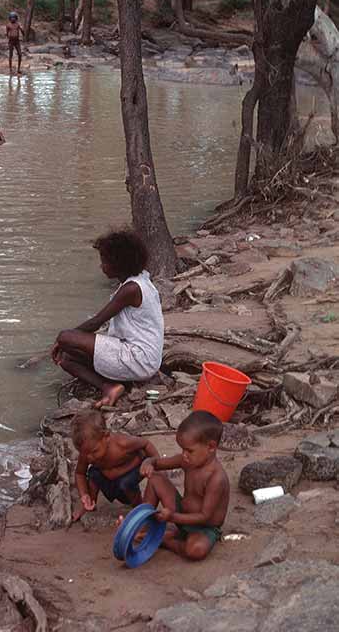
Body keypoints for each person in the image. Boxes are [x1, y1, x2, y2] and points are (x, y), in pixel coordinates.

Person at [52, 229, 164, 408]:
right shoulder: (141, 280)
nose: (101, 266)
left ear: (118, 264)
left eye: (104, 261)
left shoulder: (131, 289)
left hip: (139, 359)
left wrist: (62, 340)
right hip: (142, 358)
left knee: (66, 337)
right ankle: (110, 386)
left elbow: (96, 322)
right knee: (66, 359)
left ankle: (112, 385)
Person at [139, 410, 230, 561]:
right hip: (181, 512)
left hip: (203, 527)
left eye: (189, 450)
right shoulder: (187, 460)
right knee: (155, 479)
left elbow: (205, 517)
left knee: (195, 550)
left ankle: (166, 541)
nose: (184, 455)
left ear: (211, 447)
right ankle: (141, 522)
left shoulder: (216, 478)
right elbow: (157, 463)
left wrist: (173, 517)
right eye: (182, 449)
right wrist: (148, 463)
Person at [71, 410, 160, 522]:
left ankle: (140, 509)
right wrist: (84, 495)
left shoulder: (122, 444)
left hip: (130, 474)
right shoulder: (87, 453)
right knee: (93, 474)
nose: (90, 457)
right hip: (110, 480)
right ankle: (90, 504)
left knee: (126, 482)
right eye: (85, 453)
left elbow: (145, 443)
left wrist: (156, 461)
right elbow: (80, 473)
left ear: (106, 437)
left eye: (94, 451)